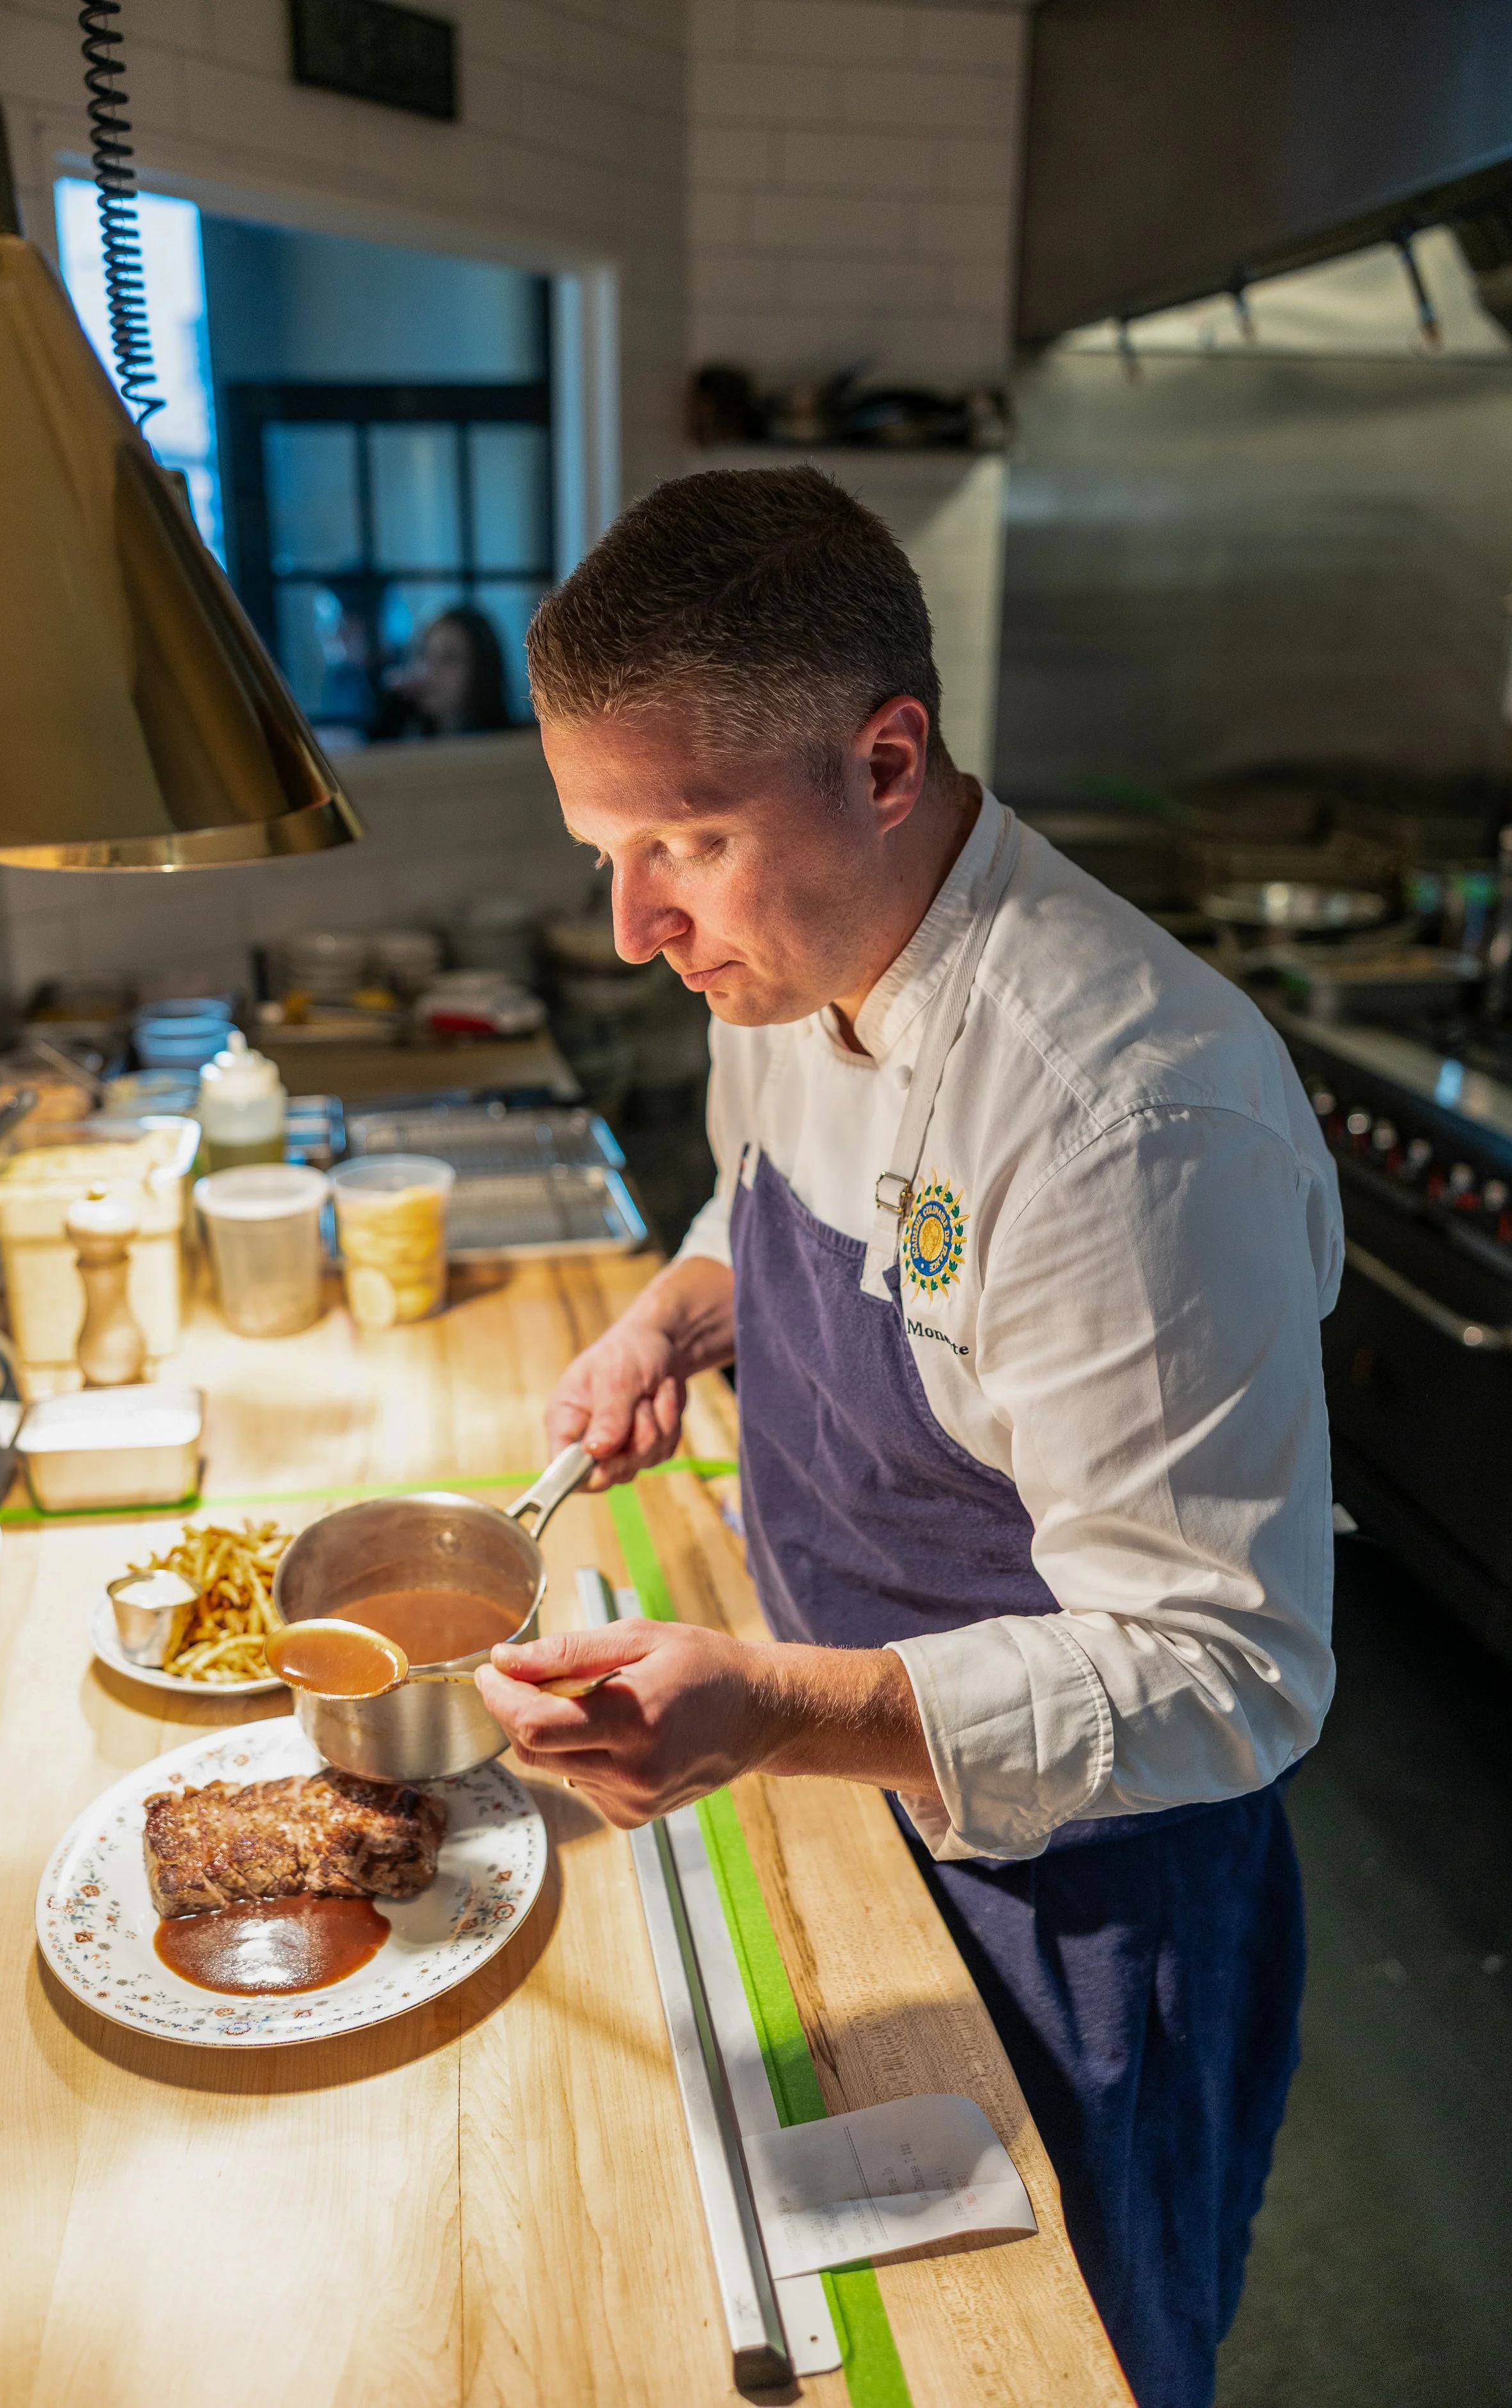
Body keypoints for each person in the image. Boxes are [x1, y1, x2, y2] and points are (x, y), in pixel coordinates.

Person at [476, 466, 1341, 2408]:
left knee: (1051, 2348)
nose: (633, 927)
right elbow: (766, 1202)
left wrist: (766, 1705)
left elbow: (1227, 1664)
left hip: (1087, 1891)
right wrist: (667, 1314)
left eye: (678, 840)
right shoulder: (777, 955)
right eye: (604, 848)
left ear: (884, 762)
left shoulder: (1127, 1116)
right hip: (852, 1763)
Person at [370, 604, 514, 740]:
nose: (430, 669)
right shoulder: (407, 737)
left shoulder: (518, 743)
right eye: (424, 654)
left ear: (481, 670)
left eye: (450, 658)